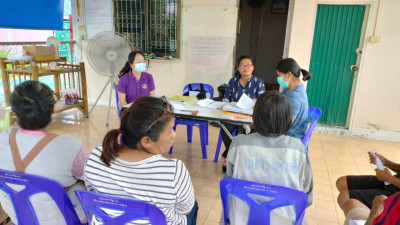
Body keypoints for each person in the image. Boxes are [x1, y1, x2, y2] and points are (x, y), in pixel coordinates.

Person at [84, 96, 198, 225]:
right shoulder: (173, 171)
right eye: (170, 130)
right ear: (146, 141)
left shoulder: (97, 155)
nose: (174, 134)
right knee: (193, 205)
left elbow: (93, 194)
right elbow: (184, 211)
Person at [0, 80, 88, 224]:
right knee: (80, 184)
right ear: (52, 109)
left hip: (18, 215)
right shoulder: (70, 146)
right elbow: (91, 178)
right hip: (59, 219)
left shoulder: (3, 137)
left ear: (14, 111)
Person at [223, 91, 313, 225]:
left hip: (241, 219)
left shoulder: (238, 143)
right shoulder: (297, 148)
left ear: (255, 116)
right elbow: (306, 195)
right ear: (287, 119)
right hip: (285, 220)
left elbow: (228, 185)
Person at [220, 55, 266, 171]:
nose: (246, 68)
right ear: (238, 68)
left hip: (250, 117)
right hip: (234, 114)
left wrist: (255, 101)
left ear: (252, 67)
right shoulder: (233, 81)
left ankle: (231, 156)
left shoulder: (258, 83)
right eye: (242, 65)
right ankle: (232, 155)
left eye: (248, 65)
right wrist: (227, 104)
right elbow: (226, 98)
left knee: (248, 132)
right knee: (224, 126)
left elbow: (262, 101)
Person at [275, 58, 312, 140]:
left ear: (288, 75)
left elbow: (285, 125)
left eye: (278, 75)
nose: (278, 78)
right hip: (288, 133)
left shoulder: (295, 96)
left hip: (292, 138)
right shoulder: (288, 88)